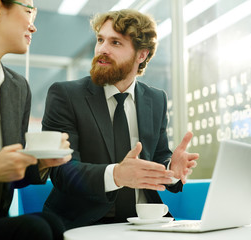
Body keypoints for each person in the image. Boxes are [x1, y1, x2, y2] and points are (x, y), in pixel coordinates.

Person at [42, 9, 199, 230]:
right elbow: (61, 171)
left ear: (141, 55)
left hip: (146, 223)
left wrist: (171, 169)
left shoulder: (156, 99)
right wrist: (116, 175)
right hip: (84, 222)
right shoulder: (66, 95)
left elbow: (158, 156)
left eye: (115, 43)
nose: (102, 49)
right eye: (100, 40)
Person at [0, 1, 72, 239]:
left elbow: (13, 177)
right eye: (28, 11)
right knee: (35, 229)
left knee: (52, 223)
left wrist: (42, 162)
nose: (34, 27)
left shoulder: (17, 88)